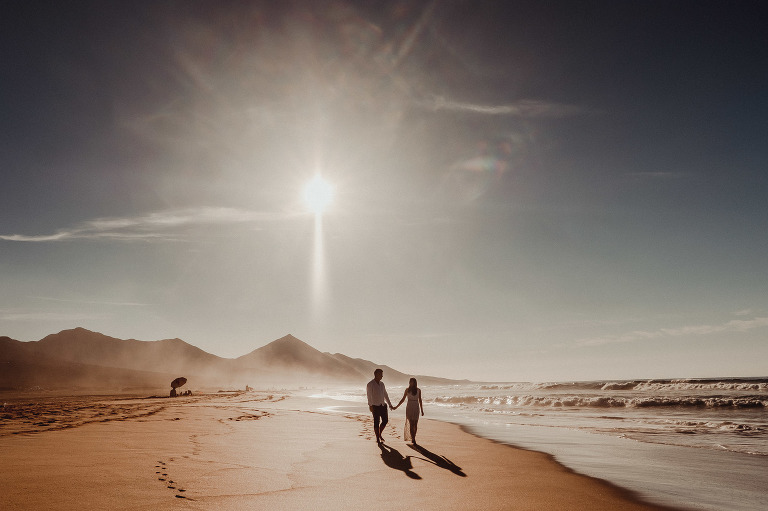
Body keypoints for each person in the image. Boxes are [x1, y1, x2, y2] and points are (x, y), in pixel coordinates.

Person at [366, 368, 394, 444]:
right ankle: (377, 438)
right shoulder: (370, 384)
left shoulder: (382, 384)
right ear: (376, 374)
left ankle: (379, 434)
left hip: (383, 405)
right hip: (375, 406)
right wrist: (370, 405)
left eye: (382, 374)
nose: (382, 376)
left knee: (385, 421)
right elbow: (369, 396)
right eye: (381, 374)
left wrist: (390, 404)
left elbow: (385, 394)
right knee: (376, 422)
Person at [393, 377, 424, 444]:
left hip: (416, 406)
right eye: (410, 382)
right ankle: (413, 438)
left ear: (415, 383)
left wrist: (422, 410)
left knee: (415, 424)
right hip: (409, 406)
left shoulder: (418, 390)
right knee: (411, 423)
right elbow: (403, 399)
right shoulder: (407, 390)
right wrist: (396, 407)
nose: (411, 383)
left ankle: (414, 436)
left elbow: (420, 400)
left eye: (412, 382)